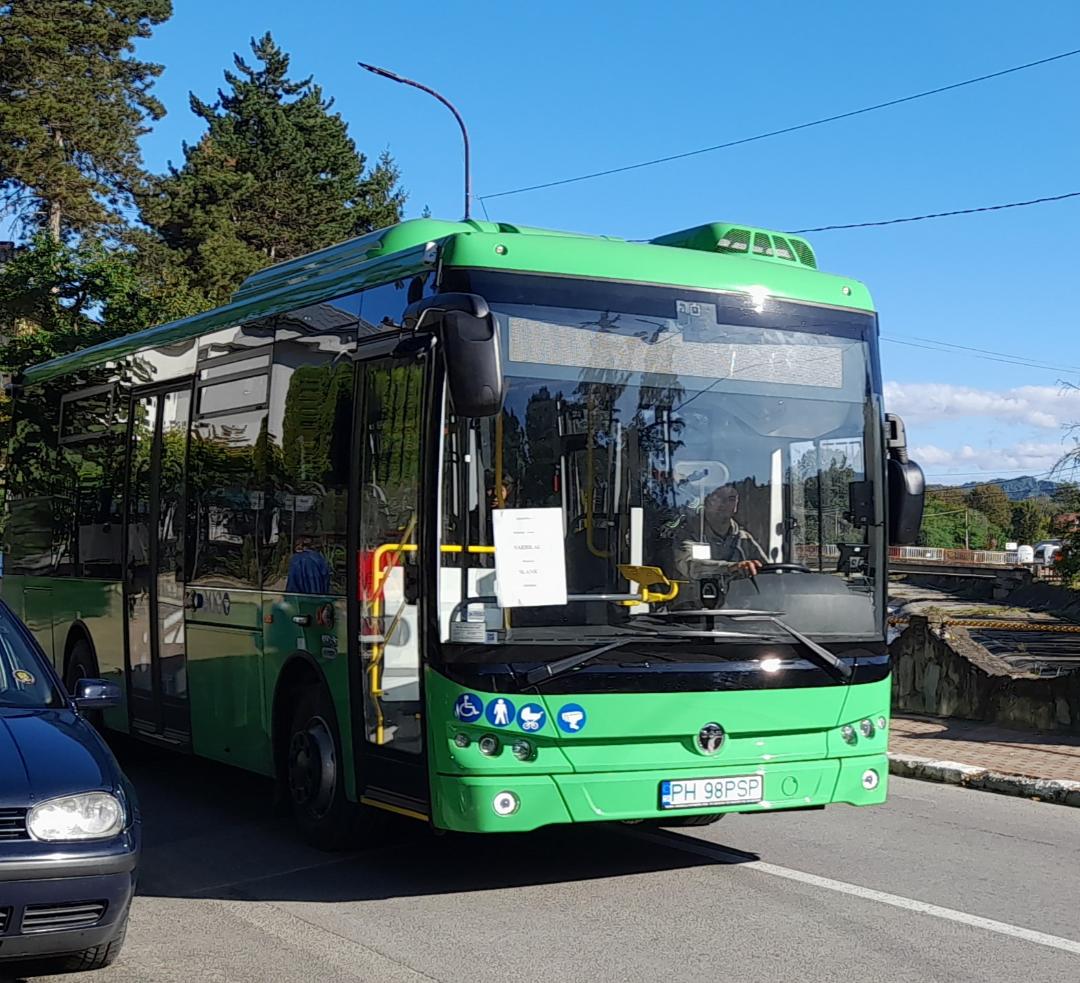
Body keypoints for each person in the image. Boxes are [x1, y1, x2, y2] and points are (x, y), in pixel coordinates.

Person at [671, 482, 768, 606]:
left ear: (736, 505)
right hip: (691, 612)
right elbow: (689, 566)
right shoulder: (688, 533)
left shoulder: (745, 539)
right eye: (718, 497)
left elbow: (767, 572)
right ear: (706, 501)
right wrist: (731, 568)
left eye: (731, 499)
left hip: (739, 614)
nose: (724, 503)